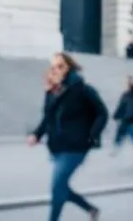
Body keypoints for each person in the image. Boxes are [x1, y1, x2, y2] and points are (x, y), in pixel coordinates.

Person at [28, 52, 108, 221]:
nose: (55, 70)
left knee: (57, 187)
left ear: (69, 68)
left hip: (76, 147)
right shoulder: (52, 91)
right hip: (56, 146)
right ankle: (90, 209)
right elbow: (47, 118)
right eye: (53, 67)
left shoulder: (81, 88)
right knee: (61, 187)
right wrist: (36, 134)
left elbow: (102, 112)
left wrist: (92, 135)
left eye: (60, 66)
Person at [111, 75, 133, 170]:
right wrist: (115, 115)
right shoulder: (125, 95)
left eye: (129, 82)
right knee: (120, 134)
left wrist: (130, 116)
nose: (128, 84)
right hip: (126, 121)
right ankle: (116, 146)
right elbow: (121, 106)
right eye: (127, 82)